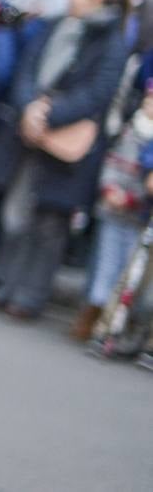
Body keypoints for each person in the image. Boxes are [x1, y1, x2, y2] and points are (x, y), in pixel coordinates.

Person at [0, 0, 129, 320]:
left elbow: (98, 93)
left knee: (50, 224)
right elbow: (27, 68)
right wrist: (29, 107)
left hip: (67, 142)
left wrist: (50, 112)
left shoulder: (111, 42)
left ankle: (29, 296)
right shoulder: (55, 24)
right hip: (29, 133)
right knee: (15, 212)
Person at [73, 81, 153, 343]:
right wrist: (109, 189)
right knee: (105, 263)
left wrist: (132, 198)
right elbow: (111, 160)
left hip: (138, 214)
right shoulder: (129, 129)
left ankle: (112, 323)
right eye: (148, 99)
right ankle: (92, 314)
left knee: (128, 271)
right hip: (112, 208)